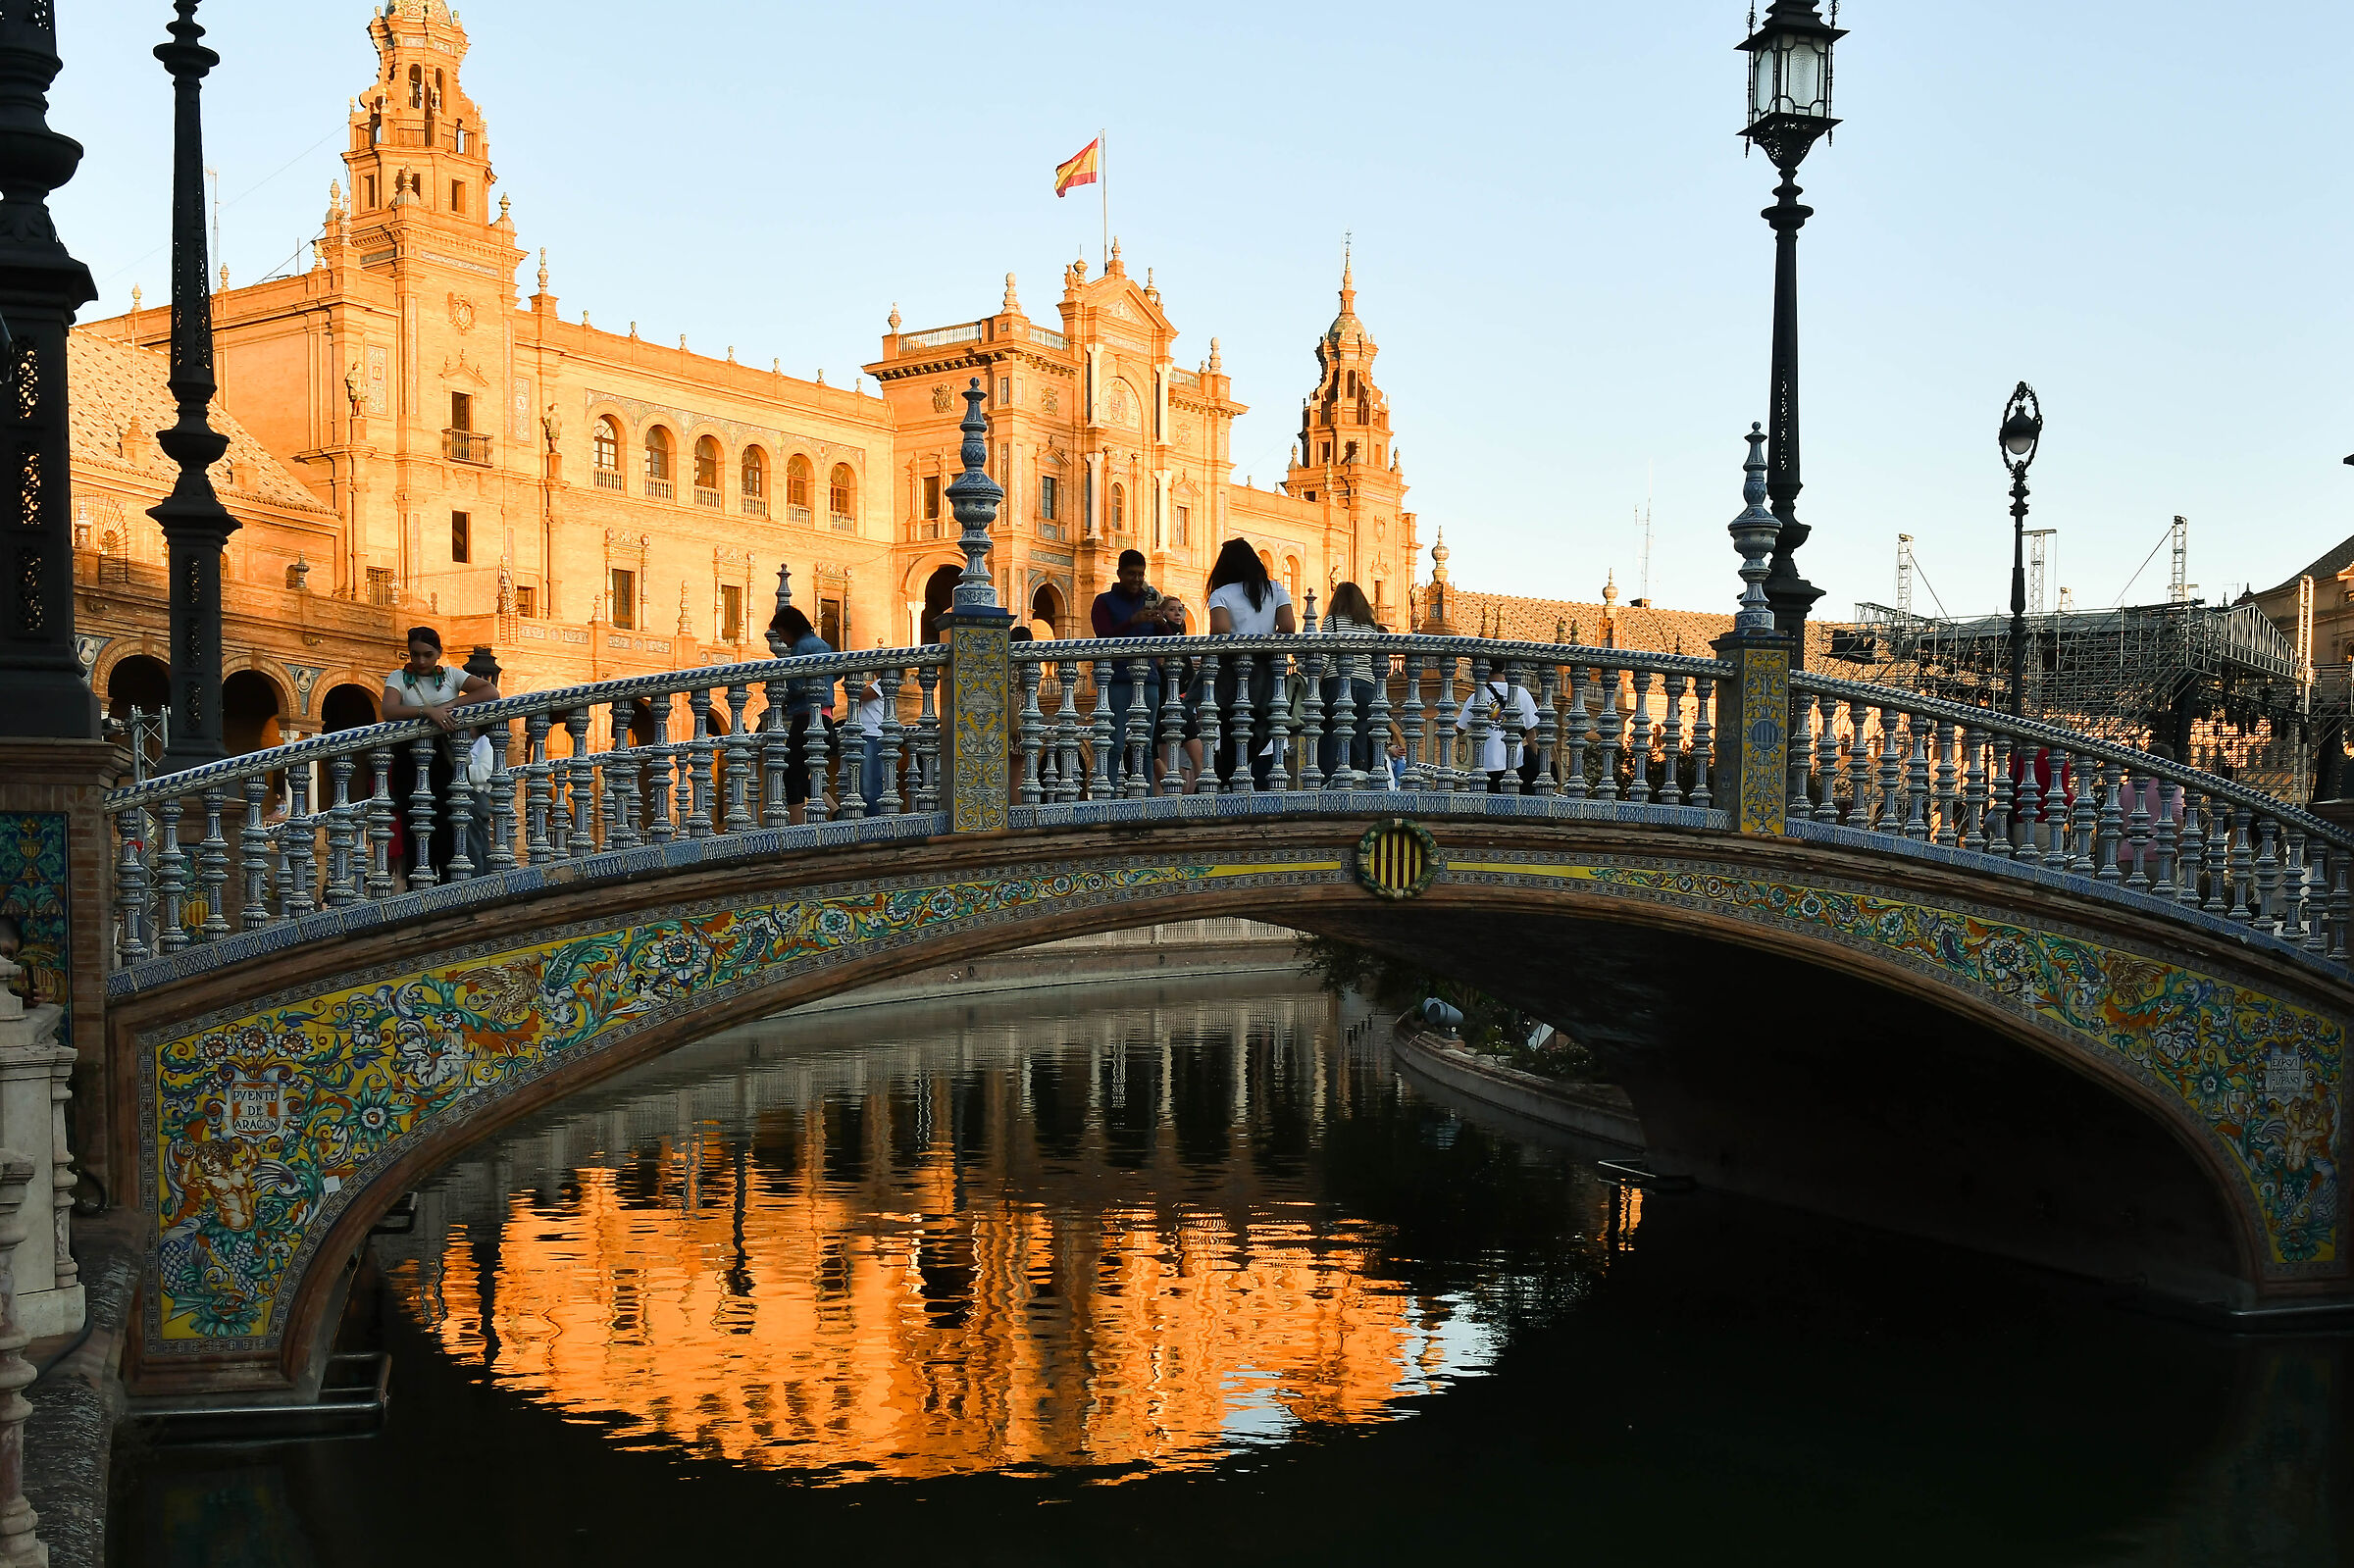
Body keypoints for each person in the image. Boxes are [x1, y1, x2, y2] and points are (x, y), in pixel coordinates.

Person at [381, 626, 500, 879]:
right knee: (415, 825)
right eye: (415, 654)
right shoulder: (398, 677)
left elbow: (490, 692)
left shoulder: (450, 675)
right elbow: (389, 710)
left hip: (445, 761)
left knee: (449, 825)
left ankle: (448, 889)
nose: (421, 661)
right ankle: (419, 889)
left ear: (439, 653)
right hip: (410, 762)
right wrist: (427, 712)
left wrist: (451, 704)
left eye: (428, 654)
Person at [1199, 537, 1296, 789]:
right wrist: (1264, 641)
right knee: (1263, 721)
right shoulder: (1275, 589)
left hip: (1232, 669)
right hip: (1266, 668)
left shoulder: (1221, 594)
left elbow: (1220, 629)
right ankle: (1241, 776)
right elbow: (1288, 626)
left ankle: (1230, 779)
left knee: (1232, 724)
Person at [1089, 548, 1187, 787]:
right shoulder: (1104, 602)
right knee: (1114, 743)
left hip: (1149, 680)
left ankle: (1145, 797)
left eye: (1141, 574)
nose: (1137, 579)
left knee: (1146, 744)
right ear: (1119, 573)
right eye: (1131, 574)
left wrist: (1159, 621)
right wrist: (1132, 621)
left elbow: (1168, 639)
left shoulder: (1149, 600)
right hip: (1117, 679)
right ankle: (1109, 795)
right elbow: (1103, 637)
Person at [1316, 581, 1397, 786]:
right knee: (1360, 733)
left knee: (1333, 731)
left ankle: (1333, 779)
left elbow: (1324, 657)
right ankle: (1360, 777)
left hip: (1339, 684)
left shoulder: (1333, 621)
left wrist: (1314, 684)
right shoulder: (1370, 625)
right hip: (1367, 686)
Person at [772, 605, 835, 824]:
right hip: (825, 716)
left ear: (790, 628)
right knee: (799, 773)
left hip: (805, 717)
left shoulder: (801, 647)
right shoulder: (824, 644)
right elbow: (835, 676)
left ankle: (796, 826)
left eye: (781, 633)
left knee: (791, 773)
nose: (782, 640)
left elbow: (796, 684)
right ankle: (835, 810)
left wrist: (782, 698)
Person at [1456, 666, 1540, 793]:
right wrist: (1538, 761)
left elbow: (1460, 728)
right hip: (1516, 763)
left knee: (1489, 803)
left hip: (1485, 765)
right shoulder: (1522, 693)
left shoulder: (1477, 696)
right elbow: (1531, 732)